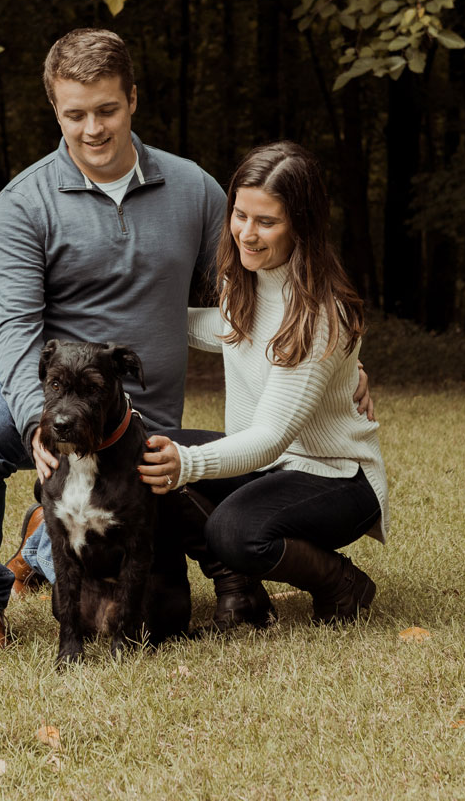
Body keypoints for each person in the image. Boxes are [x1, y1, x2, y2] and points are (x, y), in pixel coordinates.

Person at [0, 29, 308, 655]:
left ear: (133, 98)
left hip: (139, 408)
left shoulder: (193, 189)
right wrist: (34, 420)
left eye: (107, 109)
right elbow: (18, 334)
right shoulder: (22, 204)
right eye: (74, 114)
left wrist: (330, 356)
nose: (92, 129)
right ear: (55, 110)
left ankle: (47, 532)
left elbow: (251, 287)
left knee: (153, 591)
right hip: (45, 385)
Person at [136, 141, 387, 623]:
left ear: (302, 225)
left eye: (266, 221)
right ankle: (239, 589)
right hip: (268, 465)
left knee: (235, 532)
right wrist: (139, 319)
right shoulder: (247, 275)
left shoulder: (318, 314)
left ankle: (343, 584)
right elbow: (229, 330)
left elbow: (271, 437)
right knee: (142, 453)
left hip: (334, 476)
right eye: (240, 215)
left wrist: (187, 462)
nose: (247, 234)